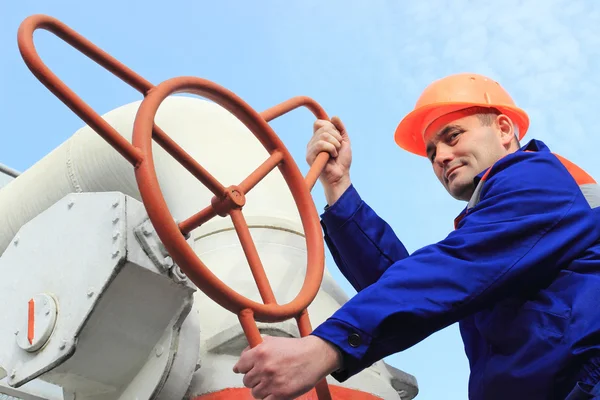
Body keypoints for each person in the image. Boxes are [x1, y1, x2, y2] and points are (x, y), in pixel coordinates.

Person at [232, 73, 600, 400]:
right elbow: (412, 287)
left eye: (452, 136)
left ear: (504, 130)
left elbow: (450, 273)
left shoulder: (540, 179)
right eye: (431, 152)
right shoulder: (496, 227)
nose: (441, 156)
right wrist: (338, 185)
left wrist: (327, 346)